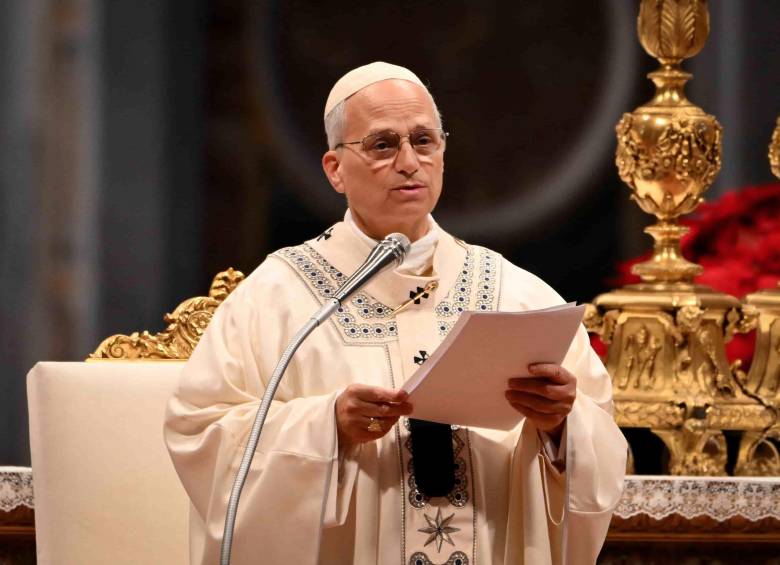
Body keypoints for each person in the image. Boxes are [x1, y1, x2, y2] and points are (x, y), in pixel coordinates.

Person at [164, 62, 627, 565]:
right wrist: (327, 426)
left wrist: (561, 425)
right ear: (335, 169)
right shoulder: (277, 297)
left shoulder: (518, 296)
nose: (409, 161)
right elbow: (199, 432)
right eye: (383, 145)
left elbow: (601, 443)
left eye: (424, 141)